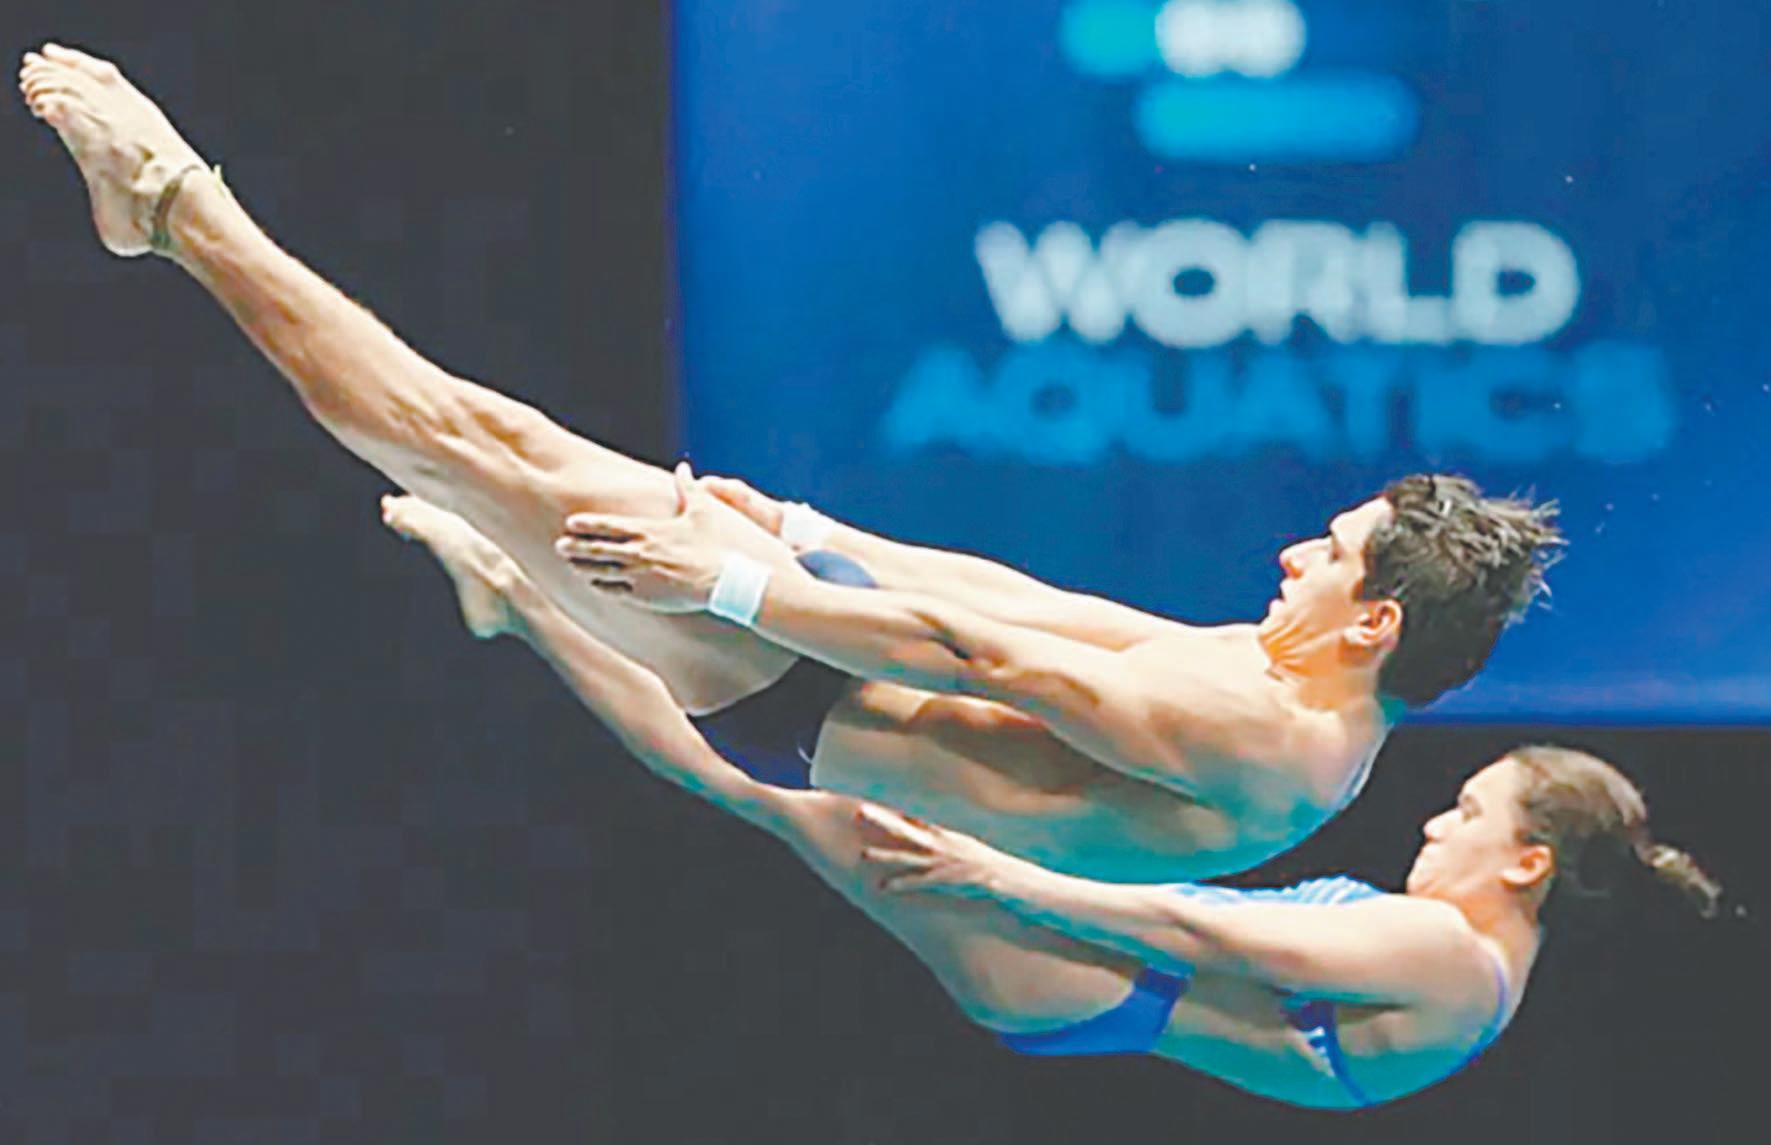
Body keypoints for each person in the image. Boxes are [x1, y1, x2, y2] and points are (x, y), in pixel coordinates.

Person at [19, 44, 1560, 882]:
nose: (1295, 552)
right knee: (492, 443)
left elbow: (982, 657)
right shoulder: (1281, 680)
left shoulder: (1266, 734)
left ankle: (172, 203)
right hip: (814, 649)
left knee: (465, 436)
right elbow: (1041, 606)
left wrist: (742, 586)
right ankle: (503, 573)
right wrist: (817, 531)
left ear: (1377, 621)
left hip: (796, 681)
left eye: (1330, 553)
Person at [380, 494, 1719, 1111]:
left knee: (758, 785)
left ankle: (524, 601)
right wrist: (818, 539)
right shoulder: (1467, 982)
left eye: (1470, 815)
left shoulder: (1454, 960)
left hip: (1076, 969)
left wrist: (999, 874)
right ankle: (521, 602)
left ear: (1529, 862)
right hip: (1088, 964)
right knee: (765, 787)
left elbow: (1204, 931)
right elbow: (1057, 624)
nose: (1436, 824)